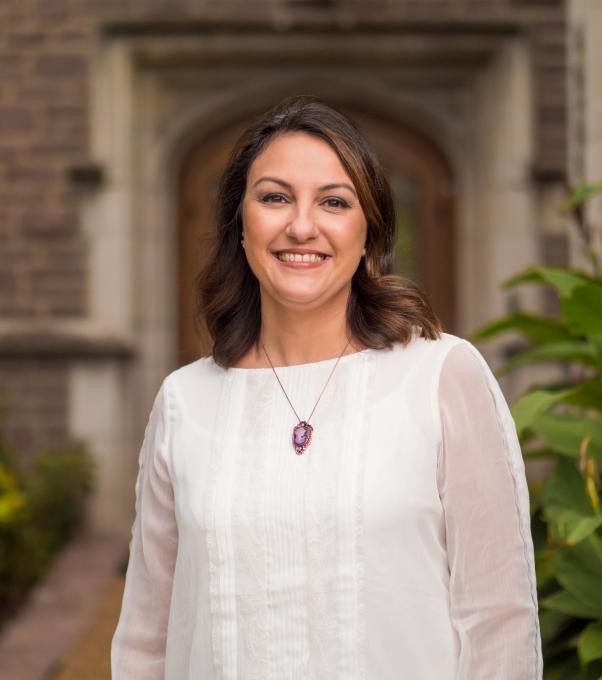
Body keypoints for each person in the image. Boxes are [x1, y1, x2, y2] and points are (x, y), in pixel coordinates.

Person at [111, 94, 542, 679]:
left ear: (369, 233)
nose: (302, 225)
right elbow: (147, 635)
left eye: (334, 202)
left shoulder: (442, 375)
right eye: (274, 197)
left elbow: (499, 622)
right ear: (241, 226)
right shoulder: (185, 401)